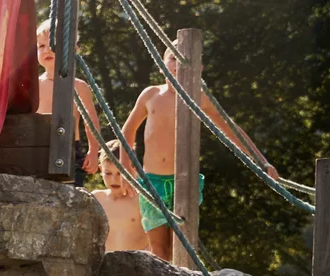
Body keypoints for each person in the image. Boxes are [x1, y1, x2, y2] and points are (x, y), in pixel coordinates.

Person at [120, 35, 279, 261]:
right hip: (152, 182)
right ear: (162, 63)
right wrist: (127, 168)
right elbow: (128, 130)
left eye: (184, 59)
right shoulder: (151, 95)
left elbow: (230, 128)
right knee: (159, 250)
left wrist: (261, 160)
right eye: (172, 58)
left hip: (184, 181)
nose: (177, 64)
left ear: (199, 68)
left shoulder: (199, 98)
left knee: (182, 249)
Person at [35, 21, 105, 181]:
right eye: (41, 46)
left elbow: (91, 122)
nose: (46, 50)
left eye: (52, 44)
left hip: (71, 147)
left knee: (72, 191)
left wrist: (93, 152)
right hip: (38, 147)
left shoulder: (79, 86)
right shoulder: (34, 85)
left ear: (72, 49)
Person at [93, 142, 150, 252]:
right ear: (101, 170)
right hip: (106, 264)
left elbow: (157, 239)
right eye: (108, 173)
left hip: (137, 264)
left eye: (120, 174)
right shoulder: (96, 198)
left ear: (132, 169)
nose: (114, 180)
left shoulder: (141, 199)